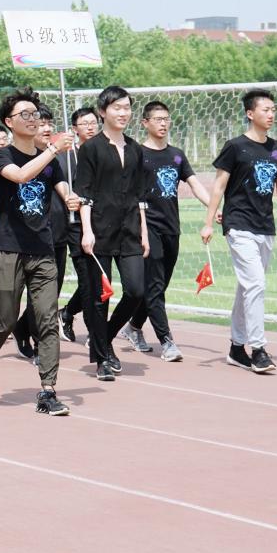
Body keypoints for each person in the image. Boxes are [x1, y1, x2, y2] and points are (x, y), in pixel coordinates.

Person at [0, 87, 79, 415]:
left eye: (36, 115)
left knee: (47, 320)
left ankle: (48, 390)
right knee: (3, 319)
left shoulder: (50, 160)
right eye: (25, 115)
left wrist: (71, 198)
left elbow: (62, 188)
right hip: (8, 248)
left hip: (43, 248)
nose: (33, 120)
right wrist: (53, 149)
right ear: (9, 121)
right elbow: (19, 176)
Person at [201, 89, 277, 374]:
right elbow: (219, 186)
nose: (271, 114)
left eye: (273, 110)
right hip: (238, 224)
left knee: (248, 286)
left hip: (265, 226)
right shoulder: (235, 147)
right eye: (265, 109)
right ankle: (258, 349)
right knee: (256, 284)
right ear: (250, 113)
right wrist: (208, 222)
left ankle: (236, 347)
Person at [117, 101, 211, 360]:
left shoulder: (176, 155)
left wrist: (214, 208)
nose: (163, 123)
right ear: (145, 123)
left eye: (166, 119)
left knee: (159, 286)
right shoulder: (136, 153)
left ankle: (134, 327)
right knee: (155, 286)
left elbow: (194, 184)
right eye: (157, 119)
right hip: (147, 227)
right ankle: (167, 341)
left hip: (172, 227)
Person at [74, 86, 148, 381]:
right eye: (117, 107)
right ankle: (102, 359)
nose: (123, 113)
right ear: (102, 112)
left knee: (136, 291)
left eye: (127, 107)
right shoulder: (91, 148)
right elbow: (84, 193)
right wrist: (86, 231)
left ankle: (104, 336)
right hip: (99, 231)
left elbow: (140, 196)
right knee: (98, 298)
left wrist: (143, 232)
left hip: (129, 230)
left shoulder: (135, 149)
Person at [12, 104, 69, 359]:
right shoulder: (14, 158)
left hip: (56, 234)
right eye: (40, 123)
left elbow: (63, 188)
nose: (46, 128)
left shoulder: (57, 160)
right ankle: (32, 339)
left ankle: (26, 330)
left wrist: (72, 199)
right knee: (27, 298)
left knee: (49, 296)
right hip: (25, 238)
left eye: (48, 123)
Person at [59, 107, 99, 342]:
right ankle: (95, 334)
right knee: (88, 280)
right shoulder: (68, 156)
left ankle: (67, 312)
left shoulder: (104, 152)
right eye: (85, 124)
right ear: (74, 129)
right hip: (75, 226)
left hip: (102, 224)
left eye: (93, 122)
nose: (90, 127)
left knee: (98, 280)